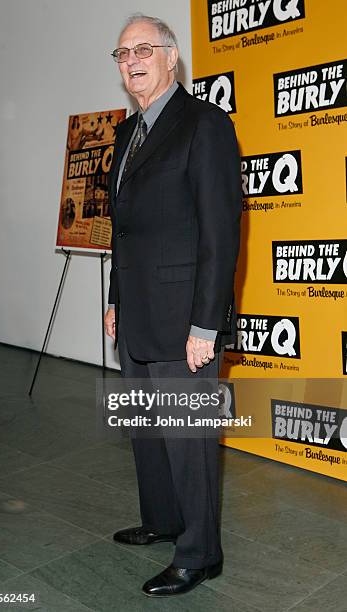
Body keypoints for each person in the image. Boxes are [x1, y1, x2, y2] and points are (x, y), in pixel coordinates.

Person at [104, 13, 242, 597]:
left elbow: (221, 233)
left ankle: (201, 553)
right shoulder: (126, 133)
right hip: (136, 311)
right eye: (121, 53)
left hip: (185, 319)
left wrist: (205, 324)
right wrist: (114, 298)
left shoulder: (204, 124)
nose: (132, 60)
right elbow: (124, 229)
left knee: (188, 442)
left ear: (171, 58)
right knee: (146, 429)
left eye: (143, 49)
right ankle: (162, 521)